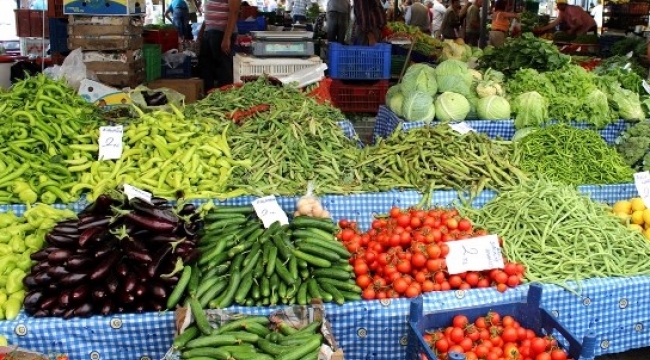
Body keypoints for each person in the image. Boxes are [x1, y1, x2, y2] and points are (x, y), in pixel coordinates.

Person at [198, 0, 240, 91]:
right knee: (206, 67)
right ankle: (208, 97)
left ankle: (224, 99)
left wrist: (226, 37)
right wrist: (202, 31)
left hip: (222, 33)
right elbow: (210, 12)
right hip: (209, 31)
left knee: (223, 69)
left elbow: (234, 11)